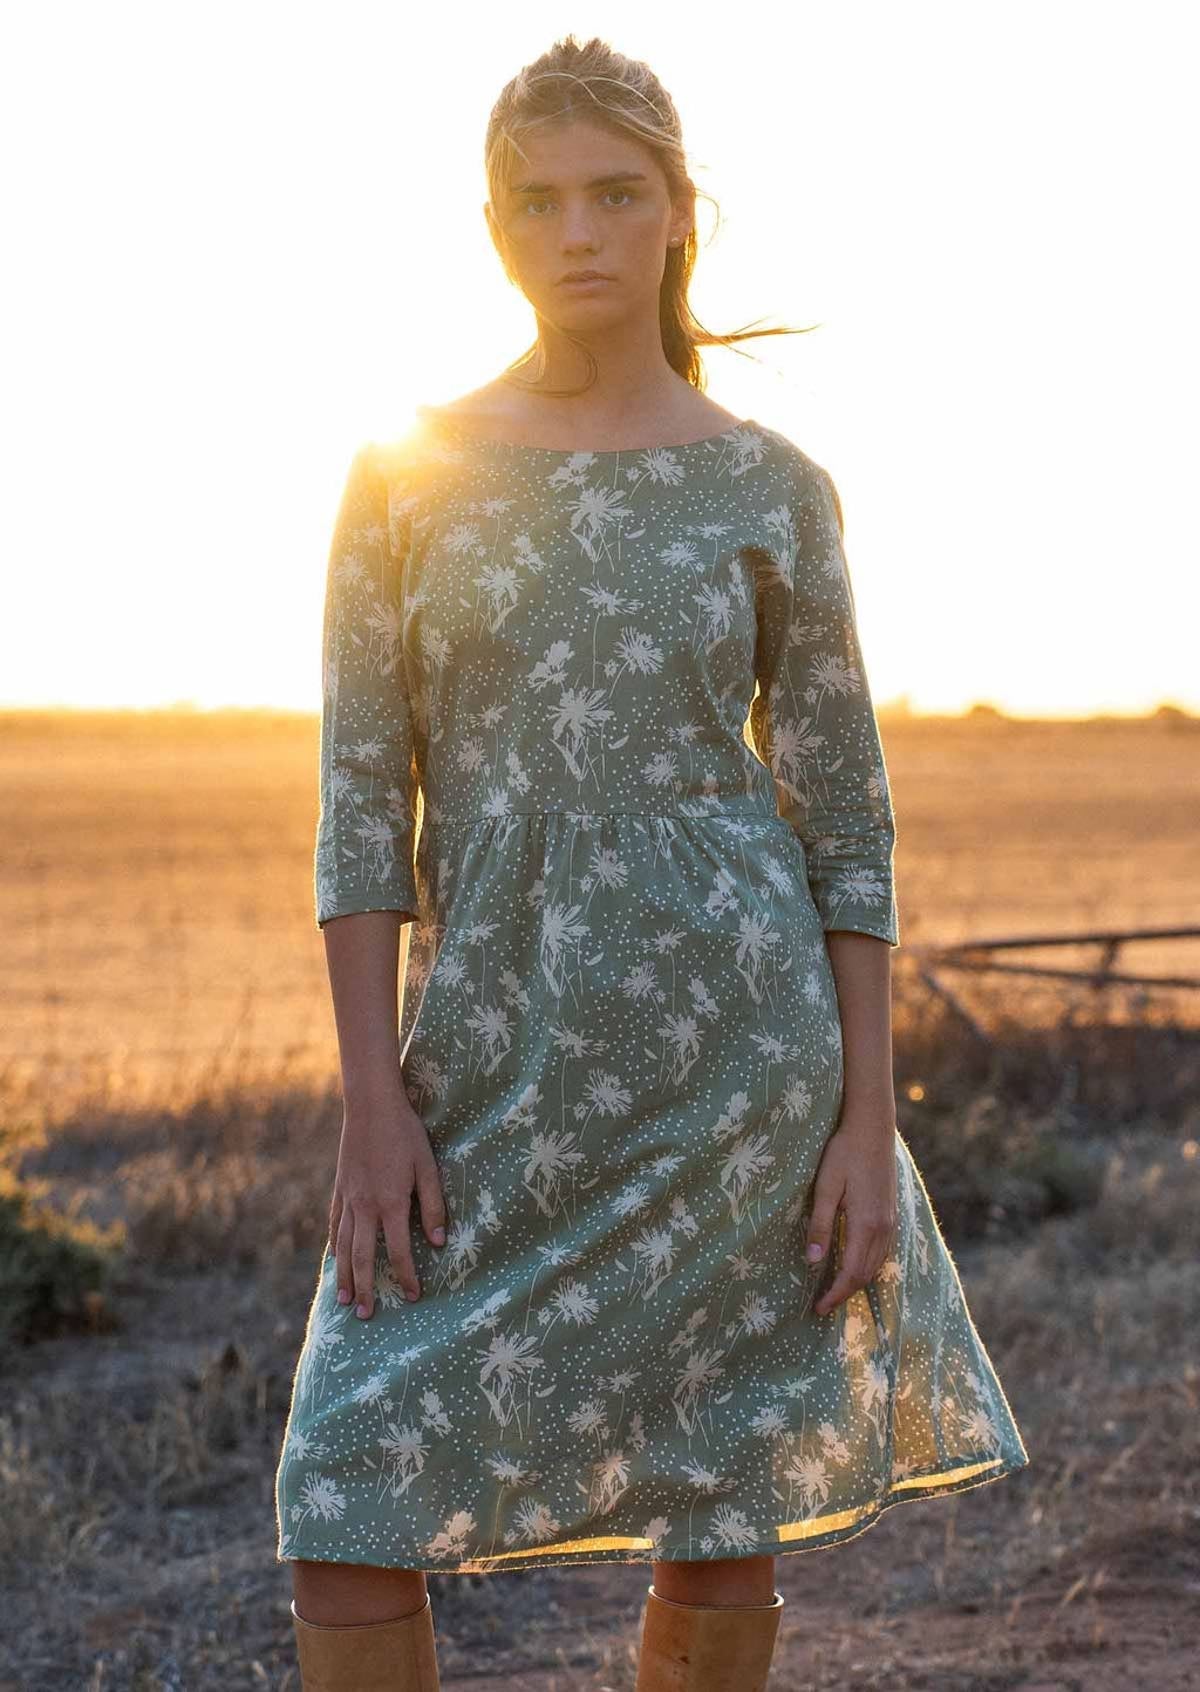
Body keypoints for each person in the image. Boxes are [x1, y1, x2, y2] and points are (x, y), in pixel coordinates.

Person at [273, 32, 1030, 1692]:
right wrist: (371, 1105)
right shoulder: (406, 473)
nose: (580, 233)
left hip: (736, 1066)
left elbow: (847, 820)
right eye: (538, 203)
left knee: (720, 1492)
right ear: (494, 230)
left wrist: (864, 1117)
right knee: (343, 1497)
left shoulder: (772, 487)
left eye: (618, 195)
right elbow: (356, 800)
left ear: (683, 216)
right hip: (483, 1058)